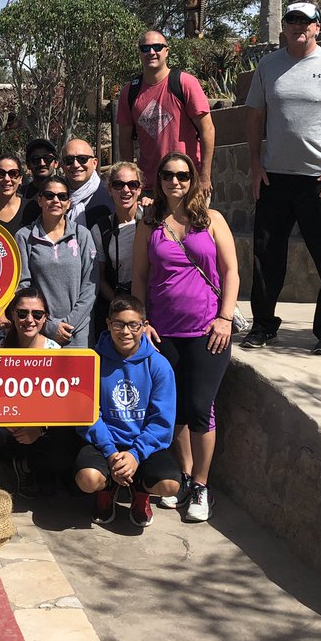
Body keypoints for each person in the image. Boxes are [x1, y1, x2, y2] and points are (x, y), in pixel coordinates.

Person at [244, 0, 321, 355]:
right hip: (275, 179)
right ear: (284, 26)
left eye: (306, 21)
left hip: (320, 180)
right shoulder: (268, 66)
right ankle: (263, 325)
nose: (299, 26)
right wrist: (255, 164)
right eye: (292, 20)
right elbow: (255, 116)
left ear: (317, 27)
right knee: (266, 258)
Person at [131, 151, 239, 523]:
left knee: (200, 406)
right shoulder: (149, 224)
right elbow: (139, 276)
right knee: (172, 408)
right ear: (158, 179)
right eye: (167, 174)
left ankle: (202, 486)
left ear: (192, 179)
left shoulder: (211, 220)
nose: (174, 181)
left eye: (182, 175)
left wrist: (225, 317)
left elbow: (231, 271)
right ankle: (186, 475)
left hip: (208, 329)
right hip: (163, 331)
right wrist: (143, 320)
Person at [74, 295, 182, 528]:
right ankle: (106, 490)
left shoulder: (159, 365)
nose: (126, 332)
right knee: (87, 479)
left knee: (170, 485)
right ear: (108, 324)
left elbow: (162, 422)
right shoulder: (93, 361)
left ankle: (140, 492)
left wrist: (135, 454)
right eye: (119, 324)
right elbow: (88, 415)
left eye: (133, 325)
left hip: (142, 445)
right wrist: (111, 453)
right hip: (105, 444)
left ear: (144, 326)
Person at [0, 285, 78, 496]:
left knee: (65, 444)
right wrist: (1, 417)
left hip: (36, 428)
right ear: (12, 314)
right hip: (1, 424)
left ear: (45, 318)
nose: (29, 320)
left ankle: (24, 466)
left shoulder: (54, 351)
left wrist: (39, 428)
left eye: (37, 314)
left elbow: (61, 403)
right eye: (22, 313)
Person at [117, 29, 215, 199]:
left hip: (186, 182)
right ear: (139, 52)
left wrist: (205, 176)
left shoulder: (184, 83)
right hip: (150, 188)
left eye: (157, 47)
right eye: (145, 48)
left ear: (167, 51)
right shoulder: (129, 92)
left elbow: (207, 130)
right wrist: (130, 180)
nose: (151, 52)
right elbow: (124, 140)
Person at [15, 173, 97, 348]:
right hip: (38, 329)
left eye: (62, 196)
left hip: (77, 331)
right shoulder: (24, 236)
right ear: (40, 200)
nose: (56, 200)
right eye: (49, 195)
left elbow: (91, 286)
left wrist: (69, 323)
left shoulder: (82, 235)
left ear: (69, 202)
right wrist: (49, 325)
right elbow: (23, 286)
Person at [90, 160, 142, 337]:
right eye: (118, 185)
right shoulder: (101, 229)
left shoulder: (152, 221)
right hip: (118, 304)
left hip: (153, 304)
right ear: (109, 189)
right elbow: (100, 277)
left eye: (132, 184)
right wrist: (118, 305)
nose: (125, 190)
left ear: (139, 189)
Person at [61, 138, 113, 231]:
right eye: (69, 160)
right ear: (62, 165)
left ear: (94, 163)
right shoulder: (53, 197)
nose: (76, 165)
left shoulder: (111, 195)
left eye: (82, 159)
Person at [0, 154, 28, 237]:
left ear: (20, 179)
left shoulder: (31, 208)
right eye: (0, 173)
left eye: (13, 173)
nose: (7, 179)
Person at [21, 138, 58, 226]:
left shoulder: (65, 192)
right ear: (28, 164)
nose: (42, 163)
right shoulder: (19, 193)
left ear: (56, 163)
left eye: (47, 158)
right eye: (35, 159)